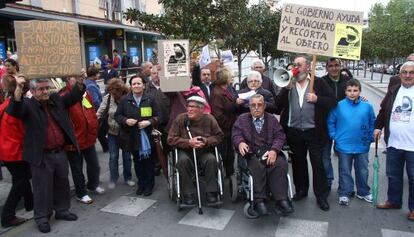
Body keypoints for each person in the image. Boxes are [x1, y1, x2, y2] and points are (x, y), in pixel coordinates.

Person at [7, 76, 84, 233]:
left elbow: (74, 96)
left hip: (60, 152)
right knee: (42, 189)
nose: (45, 91)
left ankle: (62, 210)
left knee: (62, 183)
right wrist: (19, 88)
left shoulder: (55, 100)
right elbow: (14, 110)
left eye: (47, 88)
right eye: (41, 89)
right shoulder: (28, 105)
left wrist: (78, 81)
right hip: (41, 155)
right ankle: (42, 217)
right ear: (33, 91)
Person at [275, 55, 337, 211]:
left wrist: (317, 99)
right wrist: (285, 90)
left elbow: (332, 102)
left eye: (299, 65)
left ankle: (321, 196)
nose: (295, 68)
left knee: (318, 164)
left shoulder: (319, 82)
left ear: (308, 67)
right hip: (294, 131)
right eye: (294, 65)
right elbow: (277, 105)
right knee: (298, 163)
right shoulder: (288, 83)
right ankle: (301, 190)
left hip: (314, 131)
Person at [232, 94, 294, 216]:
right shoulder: (242, 119)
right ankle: (259, 200)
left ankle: (281, 199)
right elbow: (236, 134)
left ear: (264, 106)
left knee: (280, 164)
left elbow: (280, 136)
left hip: (269, 150)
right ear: (249, 107)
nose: (256, 108)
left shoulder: (271, 119)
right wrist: (240, 143)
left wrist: (274, 150)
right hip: (252, 153)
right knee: (256, 165)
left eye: (259, 105)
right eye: (253, 105)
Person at [374, 61, 414, 221]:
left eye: (411, 72)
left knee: (413, 177)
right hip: (394, 143)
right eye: (404, 72)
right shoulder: (393, 90)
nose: (408, 75)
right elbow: (384, 111)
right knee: (393, 175)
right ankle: (394, 201)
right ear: (400, 74)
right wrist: (378, 128)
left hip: (413, 146)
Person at [167, 96, 224, 205]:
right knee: (182, 161)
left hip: (204, 151)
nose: (189, 109)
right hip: (185, 150)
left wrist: (206, 141)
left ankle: (211, 192)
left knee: (211, 160)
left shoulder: (209, 119)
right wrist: (188, 142)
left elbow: (219, 137)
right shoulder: (180, 119)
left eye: (193, 107)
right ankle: (188, 193)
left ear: (201, 109)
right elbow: (170, 139)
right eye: (188, 106)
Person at [327, 79, 376, 206]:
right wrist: (334, 136)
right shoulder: (338, 105)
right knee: (344, 170)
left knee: (363, 170)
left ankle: (363, 191)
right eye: (349, 90)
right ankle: (345, 193)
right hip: (344, 145)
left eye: (355, 90)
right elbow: (331, 121)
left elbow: (372, 122)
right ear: (345, 91)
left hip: (362, 144)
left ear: (360, 91)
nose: (352, 93)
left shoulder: (367, 106)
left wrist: (370, 137)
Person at [60, 77, 105, 204]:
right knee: (77, 169)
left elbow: (90, 110)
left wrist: (94, 126)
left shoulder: (86, 93)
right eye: (74, 77)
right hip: (74, 140)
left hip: (88, 137)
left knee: (94, 165)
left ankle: (92, 185)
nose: (78, 79)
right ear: (68, 79)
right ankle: (81, 193)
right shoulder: (64, 95)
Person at [115, 75, 159, 196]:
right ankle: (141, 184)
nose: (136, 86)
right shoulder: (125, 100)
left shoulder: (150, 99)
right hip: (132, 136)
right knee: (138, 162)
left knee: (149, 162)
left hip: (148, 136)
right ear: (130, 86)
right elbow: (117, 116)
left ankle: (149, 185)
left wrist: (149, 122)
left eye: (138, 83)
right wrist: (126, 121)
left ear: (143, 85)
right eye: (134, 84)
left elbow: (159, 116)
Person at [0, 75, 33, 228]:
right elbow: (23, 132)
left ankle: (30, 203)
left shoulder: (4, 105)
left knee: (22, 178)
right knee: (20, 181)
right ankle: (7, 216)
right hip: (15, 151)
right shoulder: (18, 108)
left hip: (6, 151)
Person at [321, 58, 351, 191]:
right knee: (325, 156)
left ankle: (344, 185)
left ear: (340, 66)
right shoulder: (321, 82)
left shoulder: (347, 82)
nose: (334, 68)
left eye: (336, 65)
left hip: (344, 125)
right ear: (327, 68)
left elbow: (354, 95)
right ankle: (328, 181)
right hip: (325, 124)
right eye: (331, 66)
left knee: (344, 157)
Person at [97, 78, 134, 189]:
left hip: (126, 132)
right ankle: (113, 178)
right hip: (112, 132)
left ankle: (128, 178)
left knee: (127, 156)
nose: (112, 94)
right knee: (113, 156)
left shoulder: (128, 97)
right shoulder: (108, 98)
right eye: (110, 91)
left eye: (114, 91)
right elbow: (100, 112)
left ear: (120, 90)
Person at [210, 67, 237, 177]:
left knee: (229, 155)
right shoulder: (217, 93)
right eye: (230, 76)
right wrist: (231, 125)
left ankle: (228, 175)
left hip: (228, 130)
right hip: (223, 131)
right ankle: (225, 179)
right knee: (225, 155)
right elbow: (218, 115)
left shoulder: (226, 90)